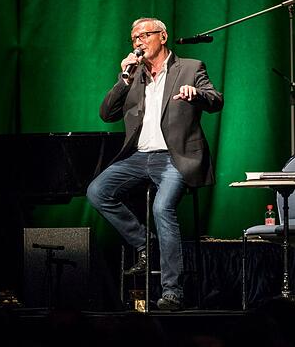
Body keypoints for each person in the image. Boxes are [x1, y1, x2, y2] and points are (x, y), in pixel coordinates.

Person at [86, 18, 223, 310]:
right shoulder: (134, 75)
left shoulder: (190, 67)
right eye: (134, 37)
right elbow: (107, 113)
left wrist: (196, 94)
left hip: (175, 156)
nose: (138, 42)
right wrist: (123, 78)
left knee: (162, 208)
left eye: (144, 35)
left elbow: (216, 100)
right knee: (97, 191)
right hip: (138, 157)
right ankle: (146, 243)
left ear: (163, 36)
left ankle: (172, 291)